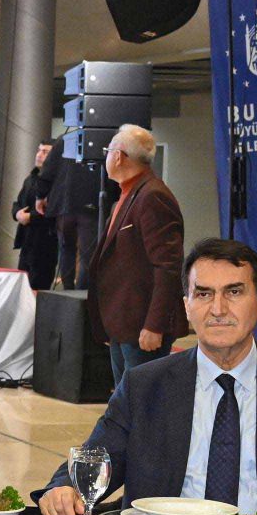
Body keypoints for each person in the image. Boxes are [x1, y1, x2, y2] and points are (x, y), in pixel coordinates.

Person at [37, 238, 257, 515]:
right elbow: (98, 459)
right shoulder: (144, 385)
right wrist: (64, 488)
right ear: (187, 306)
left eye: (234, 292)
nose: (218, 309)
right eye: (204, 294)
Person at [86, 124, 186, 388]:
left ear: (119, 156)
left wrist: (155, 325)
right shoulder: (128, 194)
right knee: (126, 400)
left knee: (143, 399)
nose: (106, 157)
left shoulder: (153, 196)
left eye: (108, 151)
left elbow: (167, 266)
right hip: (123, 322)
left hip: (142, 325)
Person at [11, 140, 61, 290]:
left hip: (46, 241)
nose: (39, 155)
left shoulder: (58, 181)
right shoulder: (31, 178)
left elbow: (54, 209)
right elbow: (18, 202)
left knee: (38, 287)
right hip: (26, 240)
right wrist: (17, 214)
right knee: (22, 286)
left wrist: (30, 217)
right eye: (39, 150)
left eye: (45, 152)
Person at [49, 144, 99, 289]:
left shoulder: (64, 141)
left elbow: (49, 170)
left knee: (66, 250)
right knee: (88, 254)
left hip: (66, 205)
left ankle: (68, 290)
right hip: (91, 205)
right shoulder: (105, 139)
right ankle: (82, 292)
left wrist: (41, 195)